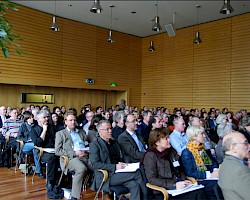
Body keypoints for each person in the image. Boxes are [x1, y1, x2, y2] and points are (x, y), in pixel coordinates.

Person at [142, 128, 208, 200]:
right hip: (165, 190)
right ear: (157, 142)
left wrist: (183, 180)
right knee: (197, 194)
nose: (169, 140)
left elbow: (180, 169)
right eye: (166, 139)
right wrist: (174, 185)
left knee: (201, 191)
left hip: (180, 186)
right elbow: (152, 179)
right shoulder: (150, 156)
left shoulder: (171, 151)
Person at [89, 120, 148, 200]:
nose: (110, 131)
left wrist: (127, 164)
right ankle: (147, 198)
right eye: (107, 129)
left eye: (110, 128)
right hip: (107, 176)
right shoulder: (95, 145)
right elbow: (95, 164)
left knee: (135, 185)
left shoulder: (114, 142)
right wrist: (115, 167)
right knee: (137, 174)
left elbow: (123, 156)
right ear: (100, 132)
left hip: (120, 172)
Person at [55, 111, 92, 200]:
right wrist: (75, 153)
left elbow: (87, 143)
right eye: (70, 120)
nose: (73, 122)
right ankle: (74, 197)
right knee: (81, 168)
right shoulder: (61, 134)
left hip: (85, 155)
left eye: (74, 120)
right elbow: (57, 151)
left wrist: (87, 150)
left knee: (99, 165)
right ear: (65, 122)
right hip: (71, 158)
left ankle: (105, 193)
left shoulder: (81, 132)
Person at [181, 126, 218, 199]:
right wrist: (209, 175)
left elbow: (213, 163)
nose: (204, 136)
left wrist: (215, 170)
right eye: (201, 134)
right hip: (199, 179)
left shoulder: (203, 149)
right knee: (215, 186)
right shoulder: (187, 153)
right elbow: (190, 172)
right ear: (194, 137)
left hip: (211, 176)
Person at [30, 110, 59, 191]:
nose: (46, 119)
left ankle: (60, 178)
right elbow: (38, 143)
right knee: (52, 158)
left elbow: (57, 139)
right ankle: (50, 181)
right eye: (44, 117)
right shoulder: (34, 129)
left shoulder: (52, 127)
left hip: (53, 150)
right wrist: (44, 130)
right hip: (41, 151)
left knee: (61, 156)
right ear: (38, 119)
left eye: (47, 117)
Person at [218, 131, 250, 200]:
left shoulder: (227, 163)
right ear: (233, 148)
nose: (249, 146)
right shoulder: (239, 170)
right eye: (245, 143)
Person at [17, 111, 44, 178]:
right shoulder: (23, 126)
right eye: (30, 118)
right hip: (25, 144)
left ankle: (38, 171)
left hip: (34, 144)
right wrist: (27, 140)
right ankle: (38, 170)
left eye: (32, 117)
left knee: (35, 150)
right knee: (36, 146)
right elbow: (19, 137)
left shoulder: (36, 125)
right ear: (26, 119)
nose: (32, 119)